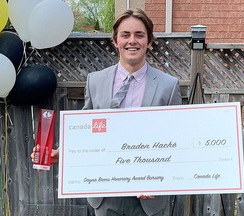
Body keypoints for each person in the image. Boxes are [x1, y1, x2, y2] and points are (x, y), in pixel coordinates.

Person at [32, 8, 182, 216]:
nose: (132, 41)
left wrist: (159, 179)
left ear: (149, 41)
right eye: (125, 35)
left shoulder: (169, 85)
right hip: (105, 193)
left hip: (148, 198)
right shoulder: (95, 81)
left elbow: (177, 140)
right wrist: (63, 152)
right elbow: (86, 130)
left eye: (139, 35)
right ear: (115, 41)